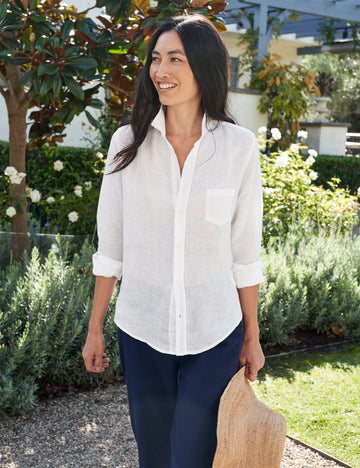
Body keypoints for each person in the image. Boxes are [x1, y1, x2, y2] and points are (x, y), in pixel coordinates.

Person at [82, 13, 265, 468]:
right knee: (155, 455)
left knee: (194, 455)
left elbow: (245, 252)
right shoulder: (128, 144)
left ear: (202, 66)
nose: (160, 71)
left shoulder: (238, 148)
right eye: (156, 59)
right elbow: (112, 248)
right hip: (142, 327)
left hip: (215, 329)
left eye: (175, 59)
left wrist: (252, 334)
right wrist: (94, 328)